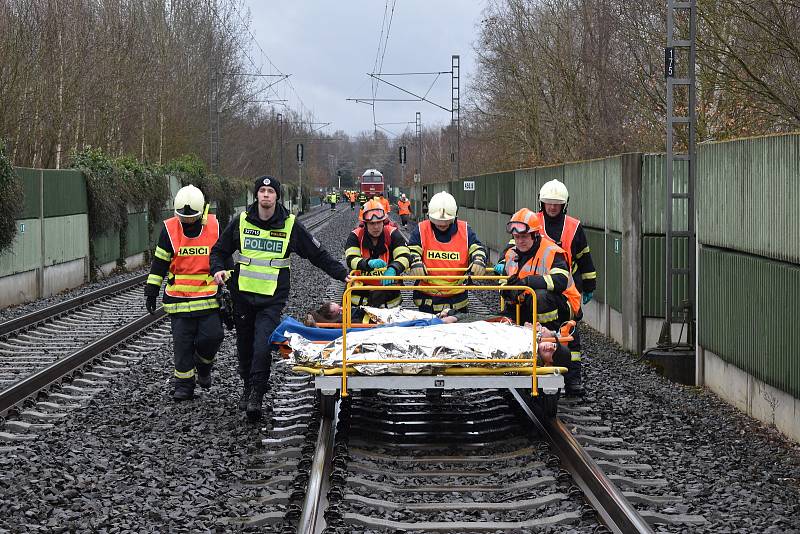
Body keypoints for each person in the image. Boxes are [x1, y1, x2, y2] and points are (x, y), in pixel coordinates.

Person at [210, 176, 351, 422]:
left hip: (271, 298)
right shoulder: (241, 222)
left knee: (263, 344)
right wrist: (218, 269)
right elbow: (219, 251)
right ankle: (247, 386)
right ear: (256, 195)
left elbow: (317, 254)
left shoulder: (289, 225)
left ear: (277, 196)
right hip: (242, 294)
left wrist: (342, 275)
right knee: (244, 345)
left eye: (270, 191)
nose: (266, 195)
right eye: (262, 191)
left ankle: (256, 395)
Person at [145, 185, 225, 401]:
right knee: (182, 345)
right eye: (183, 217)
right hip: (179, 301)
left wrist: (231, 282)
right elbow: (160, 262)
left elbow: (224, 257)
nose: (187, 221)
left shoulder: (215, 226)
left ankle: (203, 364)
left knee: (213, 336)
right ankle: (184, 386)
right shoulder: (170, 229)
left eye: (191, 218)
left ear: (201, 212)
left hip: (208, 299)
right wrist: (151, 290)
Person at [497, 207, 584, 396]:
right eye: (517, 237)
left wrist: (528, 282)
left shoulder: (552, 252)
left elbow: (560, 280)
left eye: (524, 237)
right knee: (502, 322)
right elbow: (503, 282)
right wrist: (510, 292)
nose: (520, 241)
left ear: (535, 235)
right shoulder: (511, 255)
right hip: (528, 306)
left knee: (541, 296)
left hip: (562, 307)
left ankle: (550, 353)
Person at [406, 191, 486, 315]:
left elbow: (477, 248)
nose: (442, 224)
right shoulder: (422, 230)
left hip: (457, 299)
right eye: (438, 222)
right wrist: (415, 261)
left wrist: (479, 260)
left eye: (446, 221)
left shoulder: (465, 230)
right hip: (428, 299)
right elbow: (412, 249)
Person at [344, 199, 412, 316]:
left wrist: (393, 269)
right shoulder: (355, 236)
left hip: (389, 297)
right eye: (372, 223)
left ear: (383, 221)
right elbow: (351, 259)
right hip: (360, 296)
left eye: (379, 222)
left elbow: (405, 256)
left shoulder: (392, 234)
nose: (376, 227)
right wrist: (367, 263)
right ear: (365, 224)